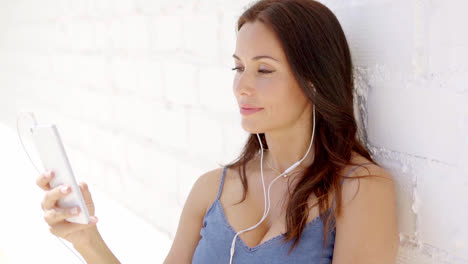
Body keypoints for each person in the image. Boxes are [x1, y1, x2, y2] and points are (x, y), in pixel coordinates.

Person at [36, 0, 399, 263]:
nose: (242, 86)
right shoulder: (212, 188)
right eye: (238, 68)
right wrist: (87, 240)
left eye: (264, 70)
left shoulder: (360, 189)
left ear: (314, 81)